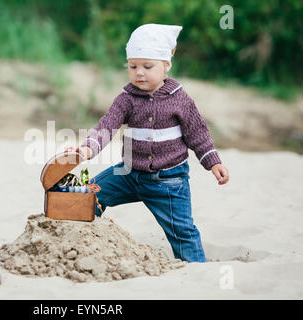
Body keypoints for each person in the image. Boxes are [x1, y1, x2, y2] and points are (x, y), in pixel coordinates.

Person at [64, 23, 229, 263]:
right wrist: (88, 147)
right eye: (133, 66)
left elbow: (198, 134)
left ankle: (196, 268)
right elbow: (107, 126)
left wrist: (213, 162)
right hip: (129, 173)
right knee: (87, 196)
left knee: (182, 231)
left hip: (169, 181)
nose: (139, 73)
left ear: (166, 66)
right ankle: (85, 247)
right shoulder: (126, 99)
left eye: (147, 66)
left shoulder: (179, 100)